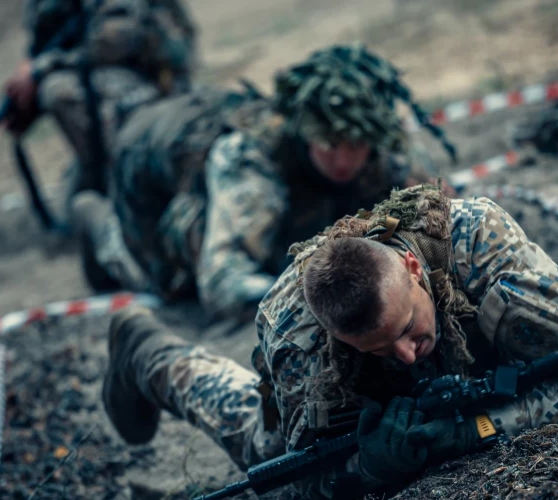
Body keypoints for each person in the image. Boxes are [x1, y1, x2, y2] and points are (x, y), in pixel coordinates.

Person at [100, 184, 558, 498]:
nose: (403, 354)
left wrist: (477, 429)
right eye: (377, 349)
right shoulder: (298, 338)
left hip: (488, 364)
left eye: (406, 330)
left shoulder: (481, 245)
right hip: (362, 407)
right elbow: (300, 483)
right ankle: (147, 354)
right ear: (334, 334)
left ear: (413, 269)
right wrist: (370, 467)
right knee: (258, 446)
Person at [72, 43, 458, 322]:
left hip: (188, 141)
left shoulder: (384, 142)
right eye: (328, 144)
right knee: (166, 280)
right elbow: (223, 284)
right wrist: (317, 294)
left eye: (356, 145)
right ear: (306, 133)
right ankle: (93, 218)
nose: (343, 161)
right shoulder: (252, 161)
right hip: (144, 168)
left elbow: (445, 214)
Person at [4, 0, 198, 196]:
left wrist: (41, 68)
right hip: (112, 78)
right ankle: (108, 173)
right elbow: (43, 38)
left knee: (57, 90)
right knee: (71, 199)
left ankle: (127, 178)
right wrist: (26, 98)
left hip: (155, 80)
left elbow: (116, 39)